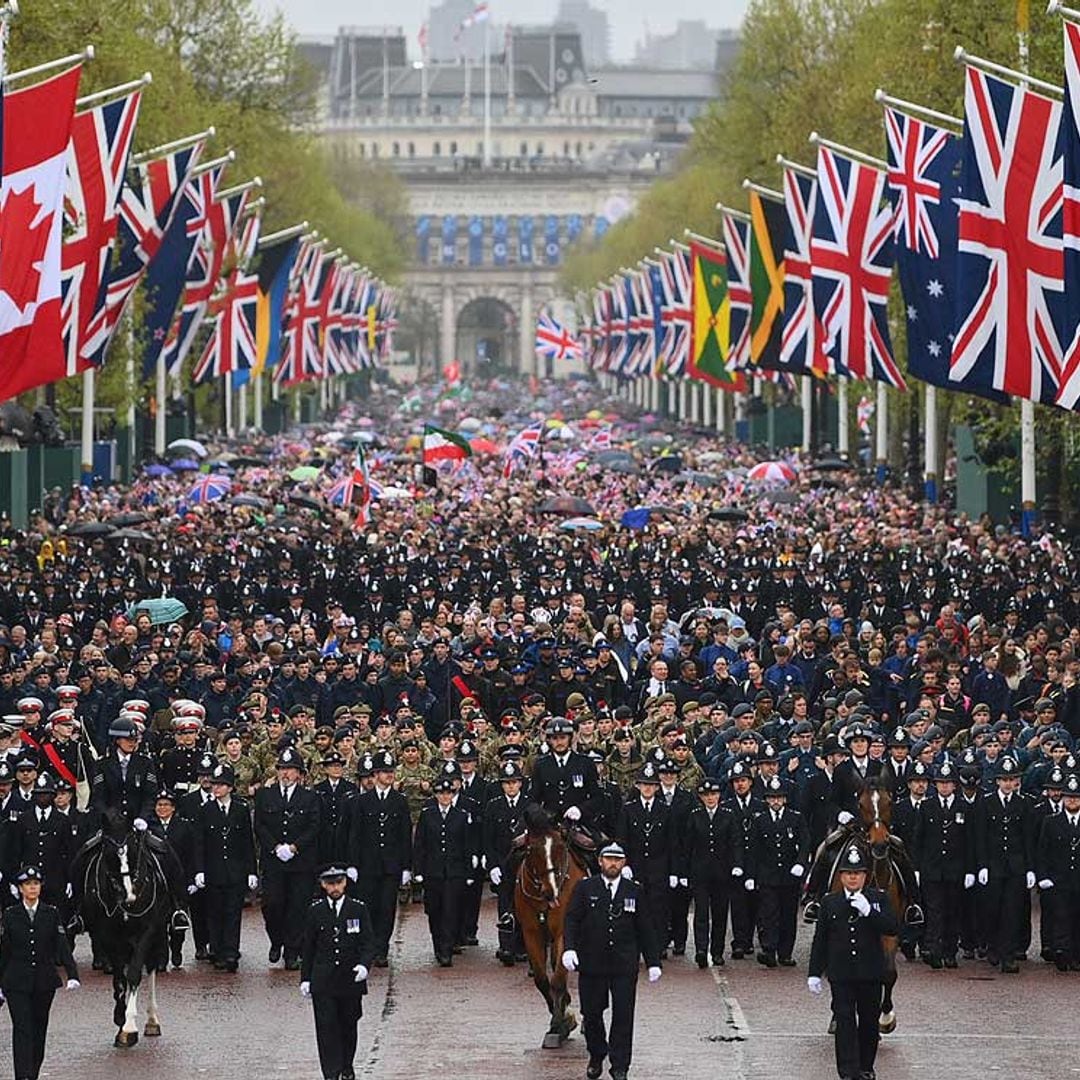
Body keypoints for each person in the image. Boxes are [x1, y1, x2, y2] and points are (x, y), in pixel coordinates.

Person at [562, 842, 662, 1080]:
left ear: (624, 863)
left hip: (623, 963)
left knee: (623, 1016)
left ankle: (620, 1065)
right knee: (592, 1013)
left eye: (617, 860)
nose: (613, 863)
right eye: (608, 859)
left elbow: (645, 927)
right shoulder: (585, 888)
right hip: (592, 962)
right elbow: (572, 919)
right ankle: (596, 1054)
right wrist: (570, 949)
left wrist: (653, 961)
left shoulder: (633, 891)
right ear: (600, 861)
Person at [807, 844, 899, 1080]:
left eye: (857, 873)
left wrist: (870, 912)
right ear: (841, 876)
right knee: (845, 1022)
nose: (853, 877)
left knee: (869, 1022)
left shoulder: (878, 899)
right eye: (848, 873)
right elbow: (821, 940)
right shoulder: (830, 903)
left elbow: (892, 927)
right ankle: (847, 1072)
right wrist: (814, 972)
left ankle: (866, 1067)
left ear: (865, 876)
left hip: (870, 973)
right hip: (842, 974)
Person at [0, 866, 80, 1080]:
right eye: (28, 884)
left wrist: (72, 974)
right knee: (22, 1028)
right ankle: (22, 1075)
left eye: (36, 884)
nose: (32, 888)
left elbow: (61, 945)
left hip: (44, 981)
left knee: (39, 1028)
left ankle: (32, 1072)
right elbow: (4, 951)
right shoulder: (10, 915)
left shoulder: (51, 913)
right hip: (16, 981)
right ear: (21, 888)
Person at [300, 865, 376, 1080]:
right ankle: (331, 1073)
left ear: (345, 883)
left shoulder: (357, 909)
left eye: (338, 882)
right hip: (323, 979)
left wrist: (364, 965)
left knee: (348, 1024)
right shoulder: (315, 911)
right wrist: (305, 978)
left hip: (349, 977)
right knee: (325, 1028)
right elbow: (309, 948)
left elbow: (368, 942)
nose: (335, 887)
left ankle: (346, 1065)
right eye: (330, 883)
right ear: (323, 885)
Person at [255, 746, 322, 969]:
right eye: (282, 769)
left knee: (298, 906)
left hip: (300, 861)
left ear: (299, 774)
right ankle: (276, 940)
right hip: (274, 860)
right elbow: (260, 825)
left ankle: (293, 951)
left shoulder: (310, 797)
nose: (286, 774)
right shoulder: (265, 795)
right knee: (272, 904)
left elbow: (314, 826)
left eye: (291, 770)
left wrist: (294, 847)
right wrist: (275, 847)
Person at [192, 762, 257, 972]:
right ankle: (217, 950)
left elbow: (248, 842)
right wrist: (199, 870)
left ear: (230, 787)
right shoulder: (206, 810)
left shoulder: (240, 809)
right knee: (215, 912)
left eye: (221, 785)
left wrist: (251, 871)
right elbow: (200, 842)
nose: (216, 788)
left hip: (236, 871)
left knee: (233, 913)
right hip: (213, 870)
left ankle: (231, 952)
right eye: (214, 784)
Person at [412, 775, 476, 966]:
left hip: (454, 872)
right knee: (434, 910)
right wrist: (419, 869)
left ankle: (446, 950)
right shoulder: (427, 814)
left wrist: (469, 873)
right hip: (433, 871)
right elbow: (420, 844)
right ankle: (438, 945)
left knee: (451, 911)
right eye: (441, 793)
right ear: (436, 795)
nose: (445, 796)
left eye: (449, 793)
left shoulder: (461, 816)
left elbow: (467, 846)